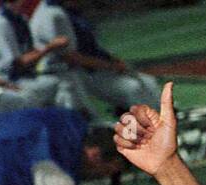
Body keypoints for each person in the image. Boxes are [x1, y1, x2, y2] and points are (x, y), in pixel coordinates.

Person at [30, 0, 161, 113]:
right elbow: (71, 57)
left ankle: (160, 125)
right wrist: (111, 66)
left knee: (148, 82)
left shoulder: (68, 12)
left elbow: (90, 47)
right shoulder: (53, 14)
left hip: (88, 70)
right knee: (133, 89)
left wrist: (112, 60)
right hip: (72, 75)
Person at [0, 0, 85, 110]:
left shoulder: (19, 18)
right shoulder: (2, 22)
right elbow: (16, 64)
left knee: (59, 80)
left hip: (25, 77)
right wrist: (49, 47)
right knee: (60, 83)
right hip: (11, 81)